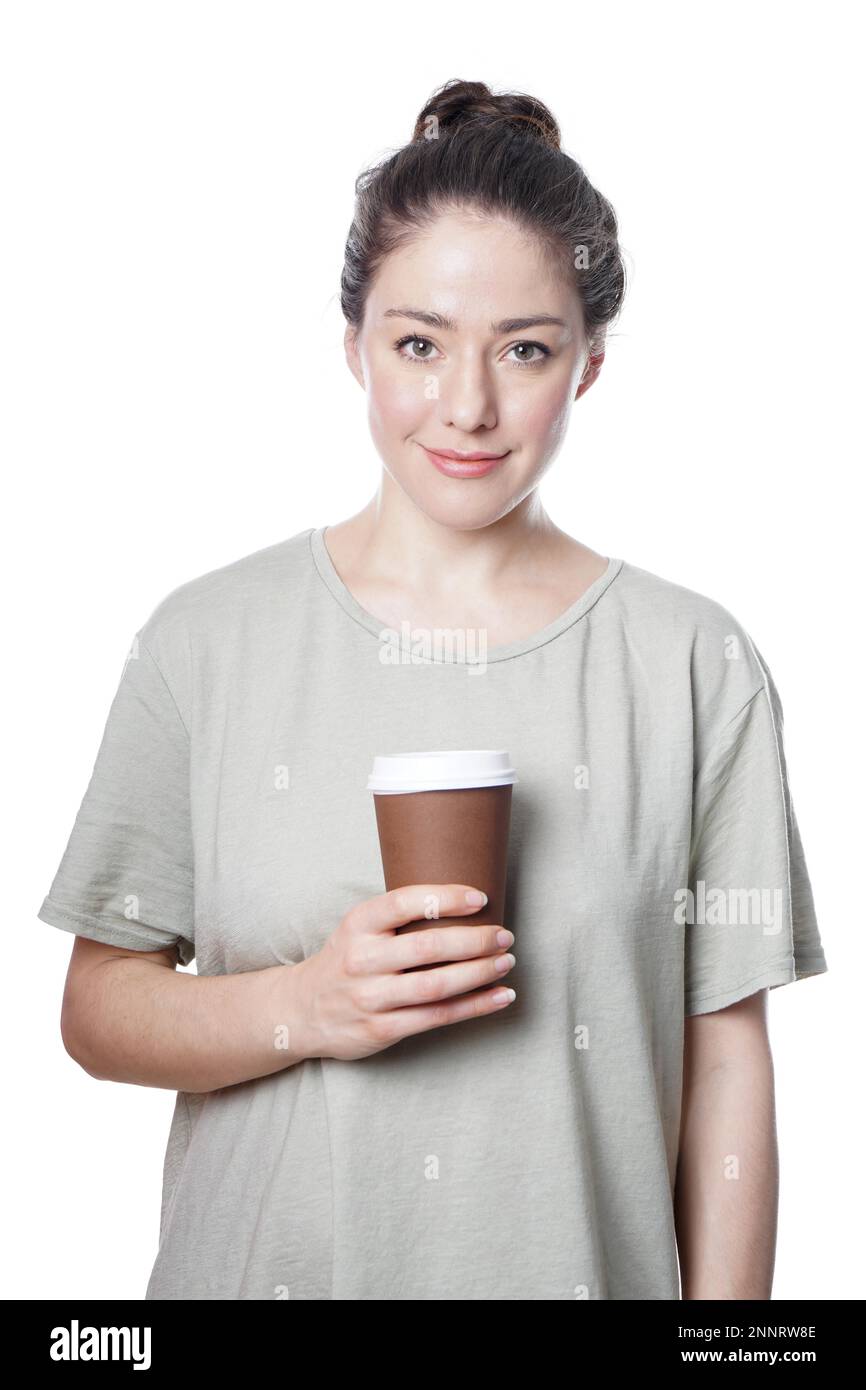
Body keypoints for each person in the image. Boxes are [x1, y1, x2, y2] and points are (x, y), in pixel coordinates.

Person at [38, 78, 828, 1301]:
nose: (467, 405)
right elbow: (98, 1010)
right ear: (351, 344)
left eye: (524, 349)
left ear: (589, 368)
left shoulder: (691, 665)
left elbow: (723, 1054)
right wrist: (308, 1004)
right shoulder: (204, 641)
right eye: (418, 344)